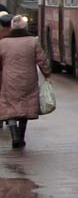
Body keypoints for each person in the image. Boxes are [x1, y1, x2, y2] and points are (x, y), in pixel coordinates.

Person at [0, 15, 51, 149]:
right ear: (25, 27)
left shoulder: (3, 43)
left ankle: (14, 136)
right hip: (28, 79)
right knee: (25, 106)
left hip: (9, 79)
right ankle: (21, 137)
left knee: (10, 106)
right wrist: (47, 74)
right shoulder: (32, 41)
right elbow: (42, 60)